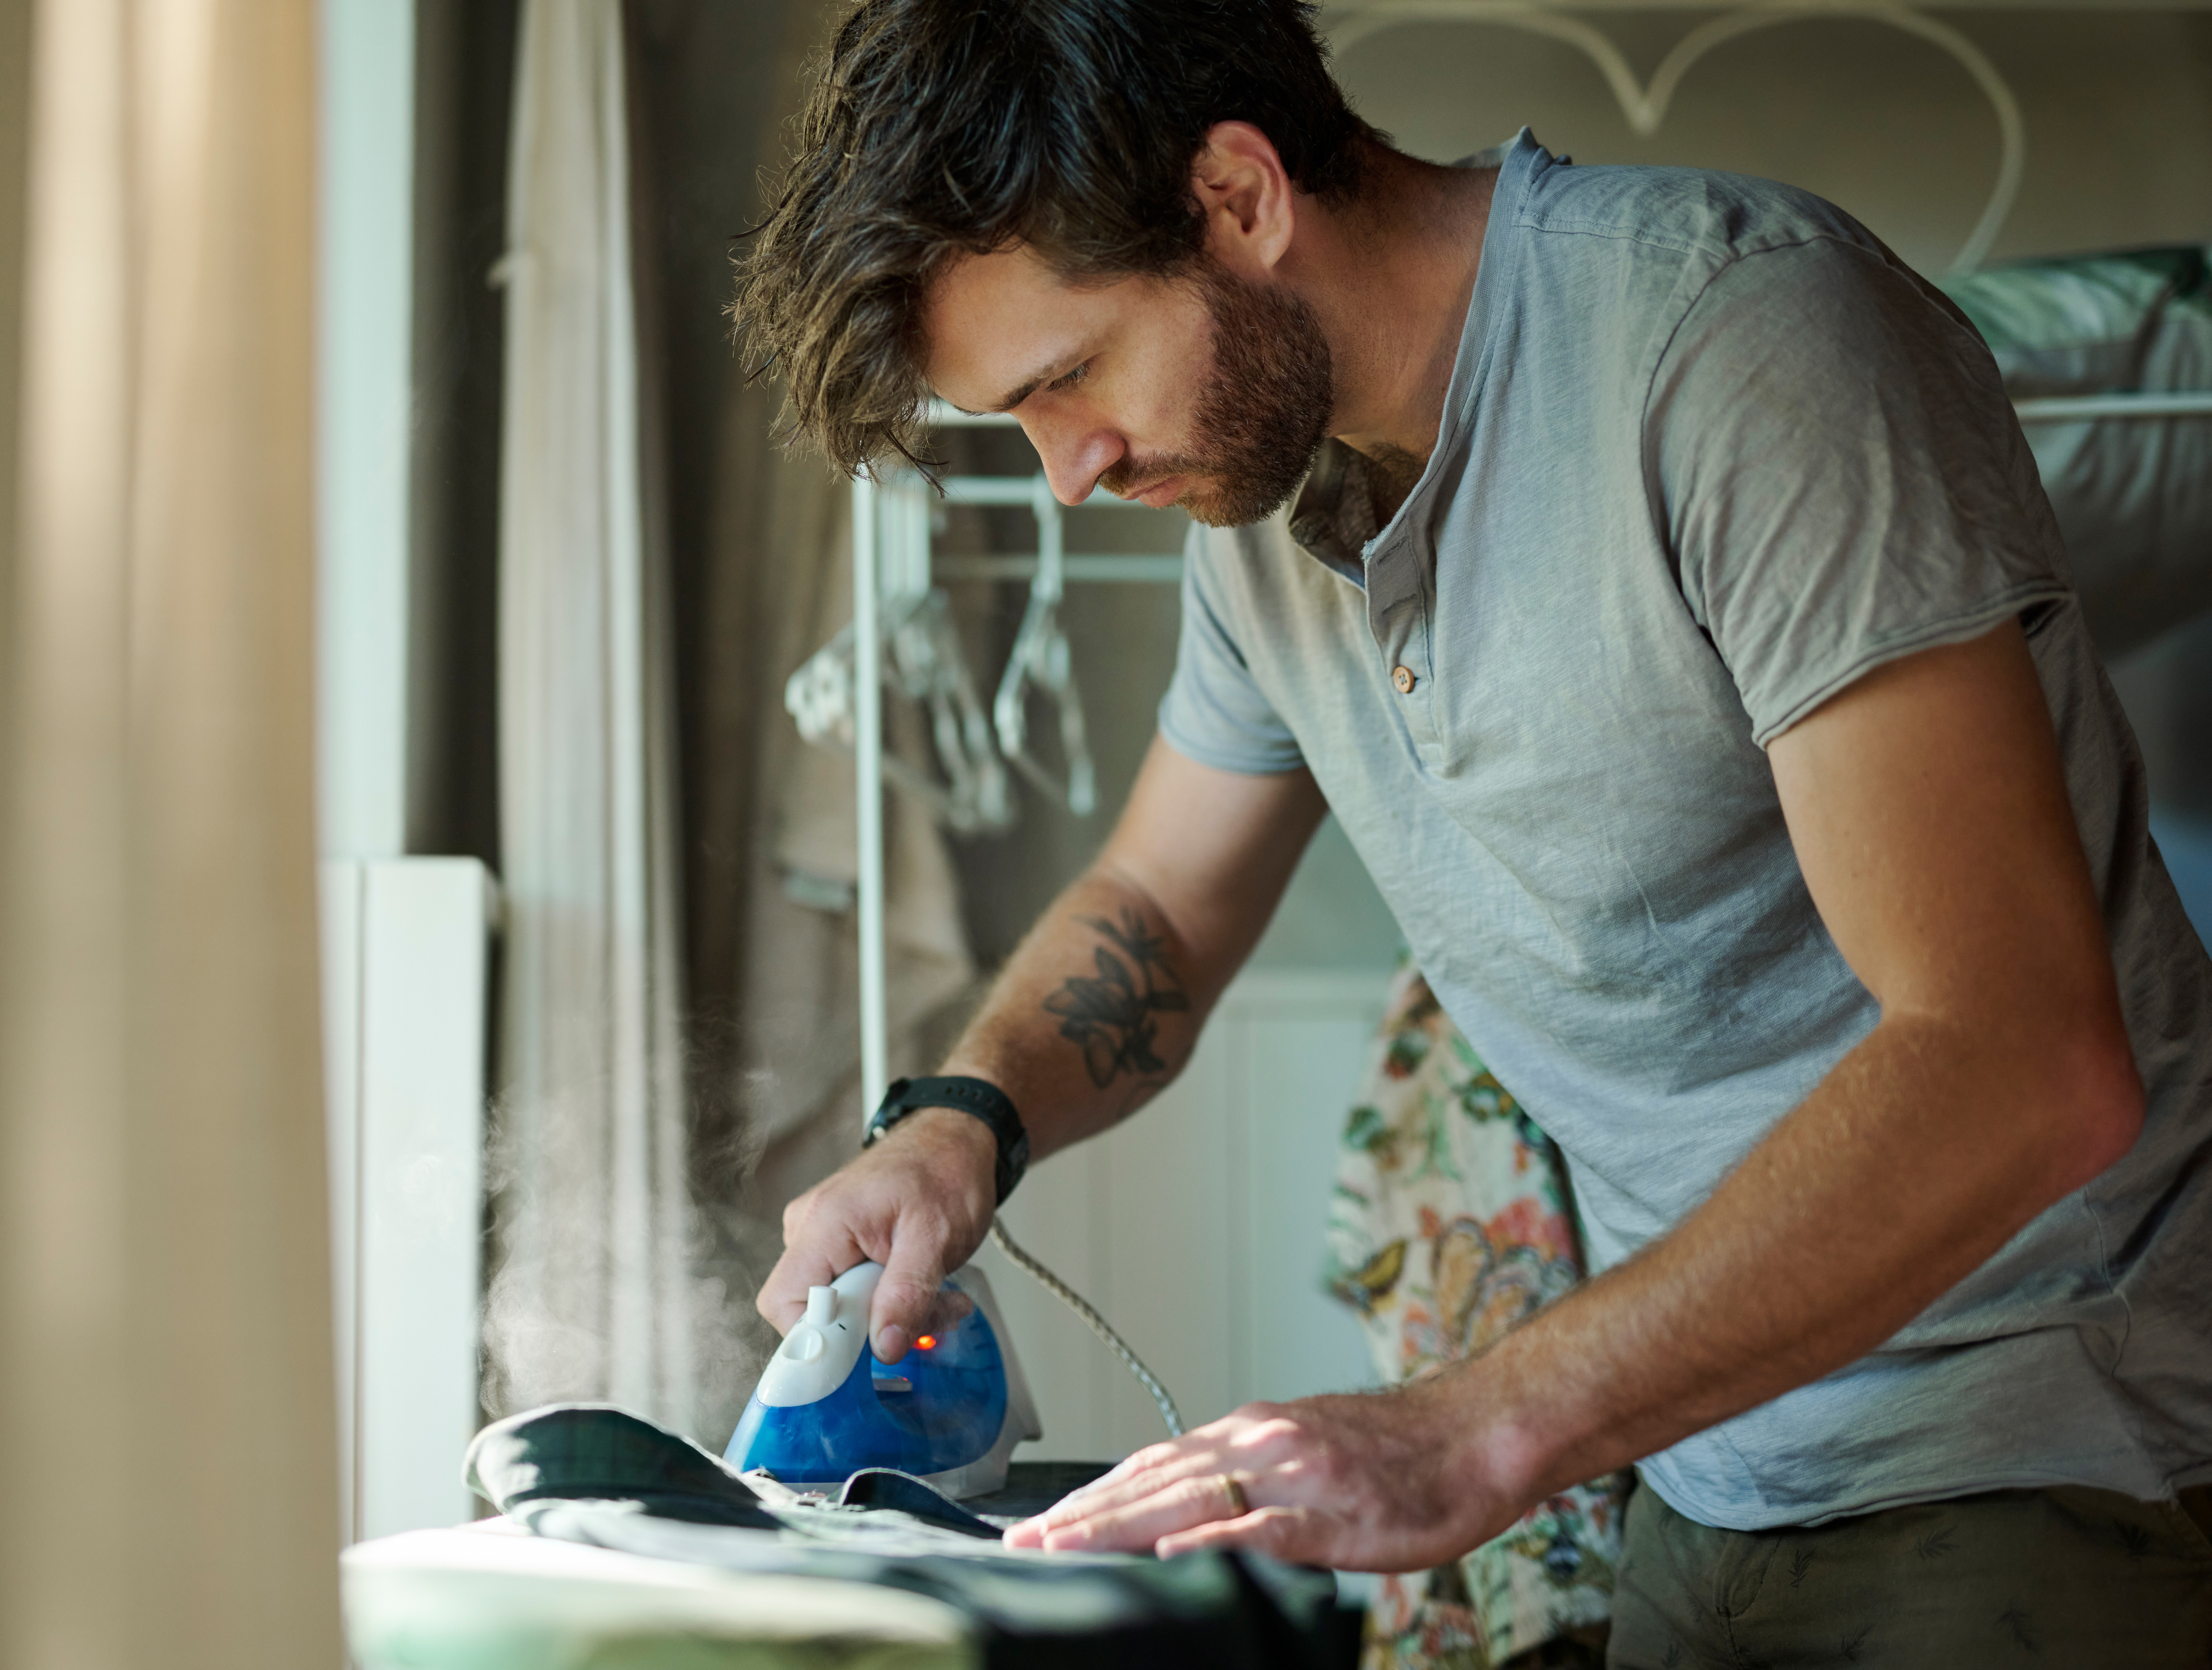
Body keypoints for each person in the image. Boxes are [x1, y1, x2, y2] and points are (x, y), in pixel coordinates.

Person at [731, 1, 2212, 1658]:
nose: (1067, 473)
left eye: (1068, 376)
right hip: (1707, 1472)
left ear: (1238, 195)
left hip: (2040, 1445)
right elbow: (1157, 897)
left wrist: (1470, 1427)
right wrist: (962, 1118)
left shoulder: (1740, 345)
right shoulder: (1268, 507)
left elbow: (2019, 1054)